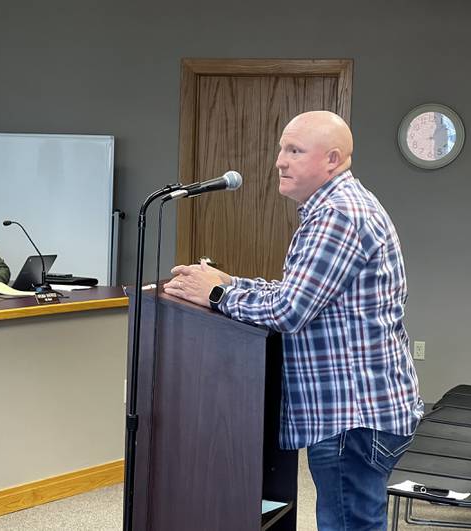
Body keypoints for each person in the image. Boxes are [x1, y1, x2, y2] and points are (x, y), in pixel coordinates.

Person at [164, 111, 423, 530]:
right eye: (282, 149)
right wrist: (231, 282)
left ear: (332, 159)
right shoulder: (340, 206)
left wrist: (214, 294)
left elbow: (289, 312)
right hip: (362, 409)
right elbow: (299, 293)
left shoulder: (338, 215)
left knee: (349, 524)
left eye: (295, 151)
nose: (280, 161)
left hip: (351, 414)